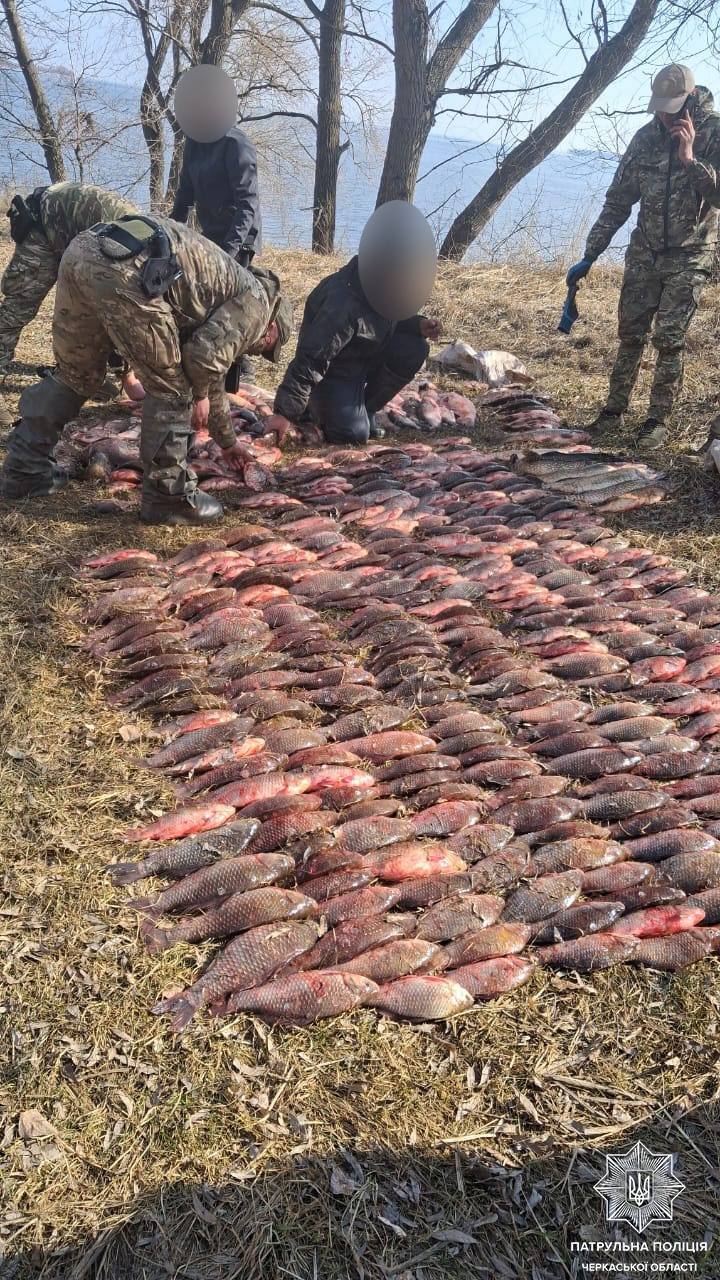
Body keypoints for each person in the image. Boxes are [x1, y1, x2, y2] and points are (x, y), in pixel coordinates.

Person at [0, 213, 291, 525]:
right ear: (272, 329)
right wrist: (199, 395)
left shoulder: (231, 284)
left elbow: (212, 368)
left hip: (85, 250)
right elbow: (203, 359)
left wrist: (227, 442)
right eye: (265, 349)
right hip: (128, 271)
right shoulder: (258, 304)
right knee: (172, 386)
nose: (256, 351)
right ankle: (168, 497)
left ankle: (25, 469)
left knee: (76, 373)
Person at [566, 64, 720, 448]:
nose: (665, 116)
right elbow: (618, 200)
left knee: (669, 338)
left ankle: (656, 422)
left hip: (690, 254)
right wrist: (590, 253)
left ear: (690, 98)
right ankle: (612, 412)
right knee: (630, 333)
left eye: (671, 108)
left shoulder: (715, 133)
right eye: (660, 108)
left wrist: (690, 159)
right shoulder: (645, 138)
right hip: (645, 252)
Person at [274, 200, 440, 445]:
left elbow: (387, 316)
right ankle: (316, 409)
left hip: (365, 358)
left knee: (415, 347)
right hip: (334, 374)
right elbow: (310, 359)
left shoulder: (384, 282)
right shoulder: (342, 304)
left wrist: (417, 325)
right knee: (354, 434)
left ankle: (367, 407)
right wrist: (284, 412)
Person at [0, 181, 147, 427]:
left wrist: (128, 378)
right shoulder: (135, 266)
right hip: (45, 226)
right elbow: (115, 316)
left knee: (100, 313)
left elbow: (116, 318)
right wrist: (130, 379)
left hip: (88, 243)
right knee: (16, 311)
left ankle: (81, 377)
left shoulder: (154, 269)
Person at [171, 65, 262, 385]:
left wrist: (228, 253)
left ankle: (242, 367)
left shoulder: (236, 145)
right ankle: (205, 360)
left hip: (240, 235)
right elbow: (184, 195)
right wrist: (170, 234)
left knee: (232, 302)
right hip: (210, 232)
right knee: (202, 297)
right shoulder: (193, 142)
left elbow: (247, 204)